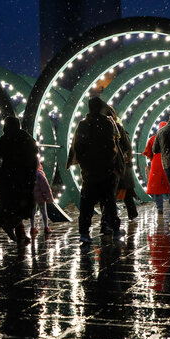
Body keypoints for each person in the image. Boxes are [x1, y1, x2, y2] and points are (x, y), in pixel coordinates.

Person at [67, 97, 124, 243]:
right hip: (106, 170)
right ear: (100, 108)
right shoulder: (107, 123)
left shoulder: (83, 124)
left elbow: (78, 146)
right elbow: (113, 147)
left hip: (89, 171)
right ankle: (115, 229)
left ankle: (84, 233)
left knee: (86, 203)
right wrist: (110, 164)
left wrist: (85, 164)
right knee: (109, 201)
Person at [0, 116, 39, 245]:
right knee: (25, 206)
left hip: (8, 178)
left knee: (12, 206)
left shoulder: (4, 139)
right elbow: (35, 151)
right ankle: (10, 225)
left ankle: (20, 235)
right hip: (23, 177)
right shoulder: (24, 136)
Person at [107, 106, 138, 220]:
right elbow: (128, 148)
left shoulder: (109, 131)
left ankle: (111, 218)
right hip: (123, 166)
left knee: (112, 193)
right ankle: (131, 213)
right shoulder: (121, 131)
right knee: (126, 192)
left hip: (117, 165)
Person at [142, 121, 170, 214]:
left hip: (156, 162)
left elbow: (148, 152)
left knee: (157, 186)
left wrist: (153, 158)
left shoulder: (153, 139)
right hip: (168, 161)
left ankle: (160, 207)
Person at [30, 158, 54, 237]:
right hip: (40, 197)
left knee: (32, 213)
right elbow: (45, 187)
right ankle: (46, 227)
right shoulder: (39, 174)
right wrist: (48, 197)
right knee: (43, 212)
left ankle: (32, 228)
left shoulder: (29, 174)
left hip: (32, 197)